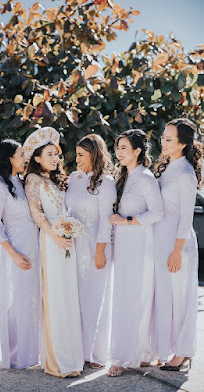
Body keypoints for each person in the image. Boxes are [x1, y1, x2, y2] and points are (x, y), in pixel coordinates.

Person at [24, 127, 84, 378]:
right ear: (36, 157)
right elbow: (37, 215)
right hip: (51, 241)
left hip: (67, 241)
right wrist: (56, 238)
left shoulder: (58, 179)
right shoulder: (33, 180)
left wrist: (68, 233)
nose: (55, 158)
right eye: (49, 154)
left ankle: (73, 357)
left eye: (56, 154)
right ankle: (58, 361)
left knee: (69, 296)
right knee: (56, 297)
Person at [108, 129, 163, 377]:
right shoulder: (126, 177)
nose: (118, 152)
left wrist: (127, 220)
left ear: (137, 151)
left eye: (123, 148)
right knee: (123, 297)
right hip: (123, 245)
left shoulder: (146, 178)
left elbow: (157, 213)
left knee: (136, 297)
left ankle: (125, 356)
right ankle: (133, 352)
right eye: (117, 147)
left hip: (140, 244)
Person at [154, 118, 202, 371]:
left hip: (178, 244)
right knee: (166, 299)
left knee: (182, 299)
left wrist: (176, 251)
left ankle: (183, 352)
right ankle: (167, 346)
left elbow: (186, 217)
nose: (163, 142)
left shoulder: (185, 174)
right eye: (163, 137)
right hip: (161, 241)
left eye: (169, 139)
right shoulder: (167, 168)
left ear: (182, 144)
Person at [65, 134, 116, 368]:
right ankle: (77, 349)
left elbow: (106, 219)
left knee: (95, 298)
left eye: (82, 155)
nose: (77, 160)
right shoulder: (73, 179)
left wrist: (100, 250)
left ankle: (96, 354)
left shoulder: (106, 183)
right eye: (77, 155)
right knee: (76, 299)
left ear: (94, 155)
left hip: (97, 246)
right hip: (74, 248)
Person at [0, 139, 40, 369]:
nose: (25, 158)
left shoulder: (21, 182)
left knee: (32, 300)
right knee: (17, 301)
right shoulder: (0, 186)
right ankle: (16, 356)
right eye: (21, 154)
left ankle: (32, 354)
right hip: (17, 249)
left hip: (34, 246)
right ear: (9, 158)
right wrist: (13, 254)